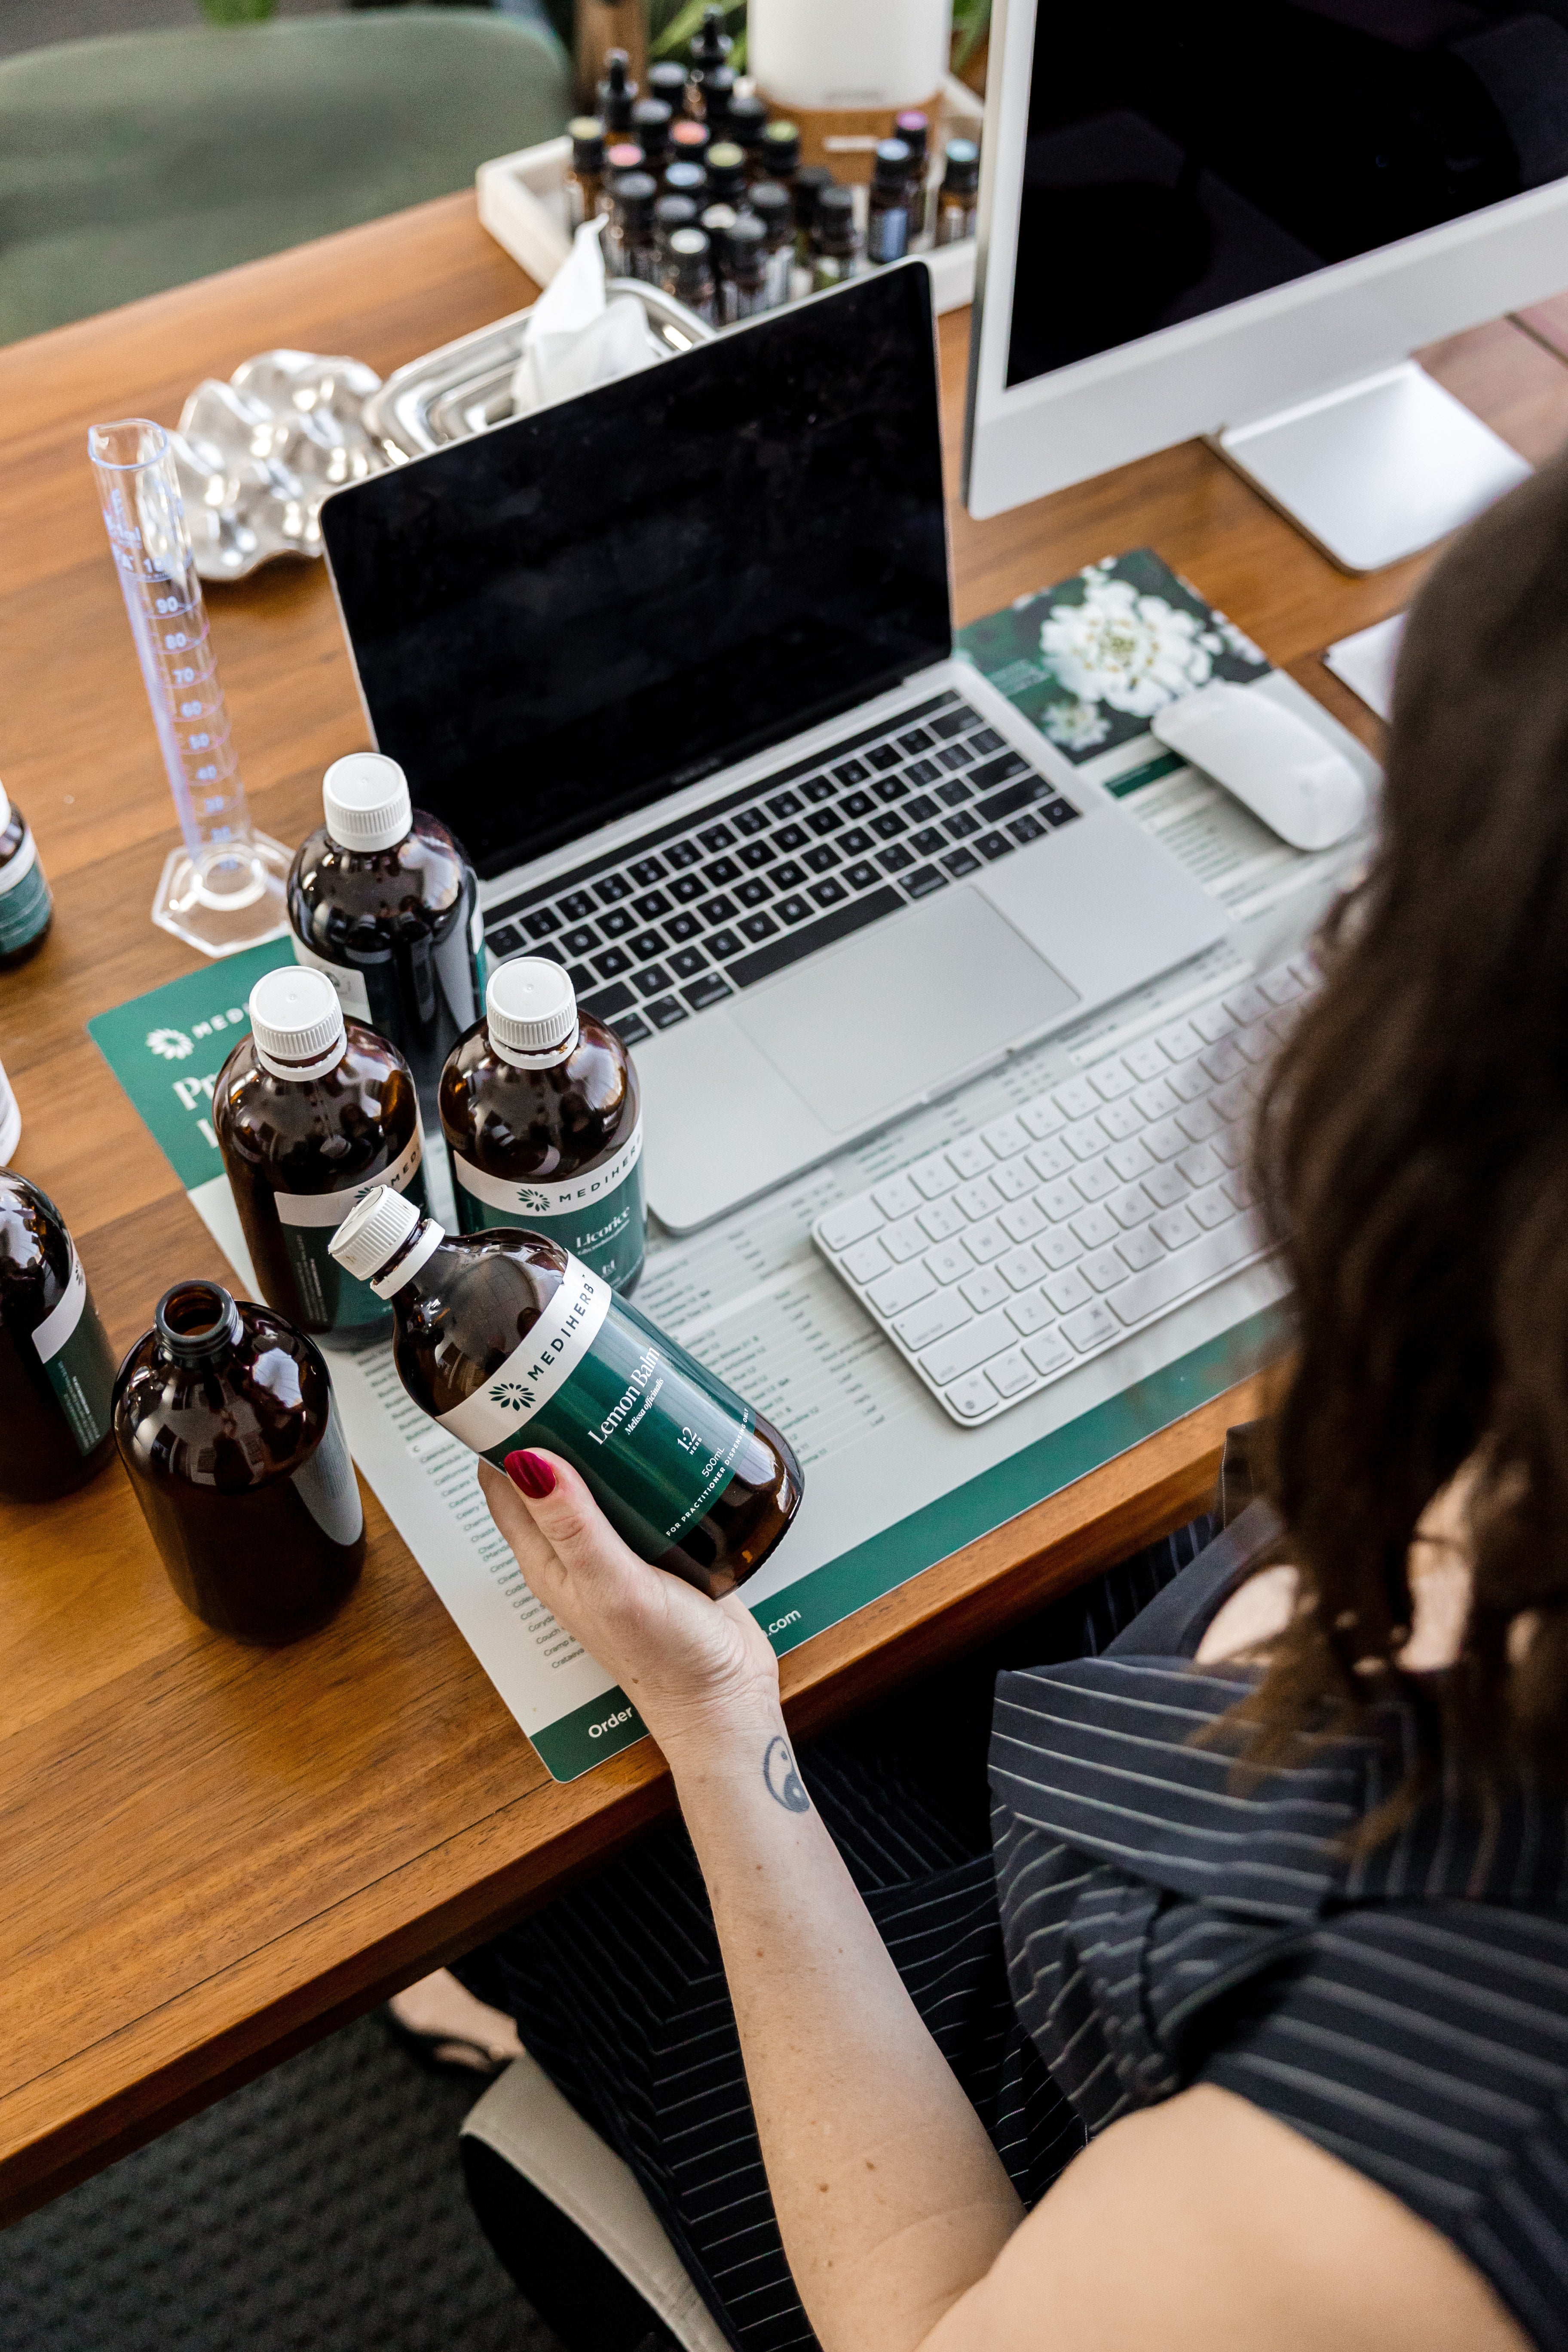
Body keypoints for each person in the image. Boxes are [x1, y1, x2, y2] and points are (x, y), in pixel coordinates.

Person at [456, 452, 1568, 2352]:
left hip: (1022, 2172)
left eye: (1403, 890)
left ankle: (503, 2017)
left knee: (509, 1851)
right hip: (1150, 1848)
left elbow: (925, 2313)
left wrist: (725, 1743)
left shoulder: (1426, 2153)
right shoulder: (1502, 1408)